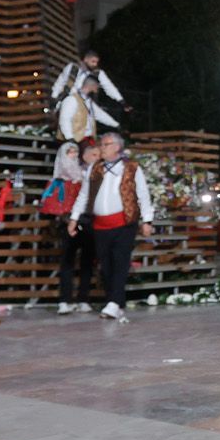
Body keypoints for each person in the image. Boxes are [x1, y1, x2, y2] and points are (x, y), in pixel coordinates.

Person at [66, 132, 154, 321]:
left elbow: (143, 194)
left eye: (105, 145)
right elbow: (84, 194)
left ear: (116, 147)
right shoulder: (94, 169)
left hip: (124, 224)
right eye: (101, 144)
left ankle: (113, 303)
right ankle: (116, 302)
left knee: (120, 262)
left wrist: (147, 220)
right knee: (105, 266)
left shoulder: (131, 168)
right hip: (101, 225)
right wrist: (74, 218)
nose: (101, 148)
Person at [47, 139, 95, 313]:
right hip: (68, 223)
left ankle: (83, 298)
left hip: (87, 222)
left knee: (87, 262)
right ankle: (65, 300)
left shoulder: (86, 175)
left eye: (75, 152)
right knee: (67, 261)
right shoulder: (61, 179)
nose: (73, 156)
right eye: (70, 153)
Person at [53, 49, 125, 114]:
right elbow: (60, 82)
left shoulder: (98, 73)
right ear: (86, 59)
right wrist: (54, 97)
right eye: (93, 61)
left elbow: (109, 86)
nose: (95, 64)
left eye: (96, 62)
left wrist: (121, 100)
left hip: (84, 105)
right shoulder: (72, 67)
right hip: (67, 102)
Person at [55, 75, 118, 144]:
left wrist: (116, 125)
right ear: (92, 85)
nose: (98, 88)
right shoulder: (71, 99)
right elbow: (65, 119)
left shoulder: (88, 102)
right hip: (75, 140)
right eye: (97, 86)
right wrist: (69, 138)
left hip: (87, 139)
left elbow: (100, 115)